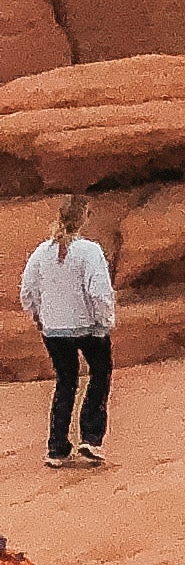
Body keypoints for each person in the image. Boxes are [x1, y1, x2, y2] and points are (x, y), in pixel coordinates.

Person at [17, 200, 110, 470]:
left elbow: (27, 291)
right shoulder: (90, 251)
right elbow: (99, 292)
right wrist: (104, 321)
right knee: (100, 374)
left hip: (54, 330)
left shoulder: (41, 253)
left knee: (65, 381)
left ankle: (57, 448)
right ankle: (91, 438)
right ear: (84, 219)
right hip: (88, 327)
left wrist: (38, 316)